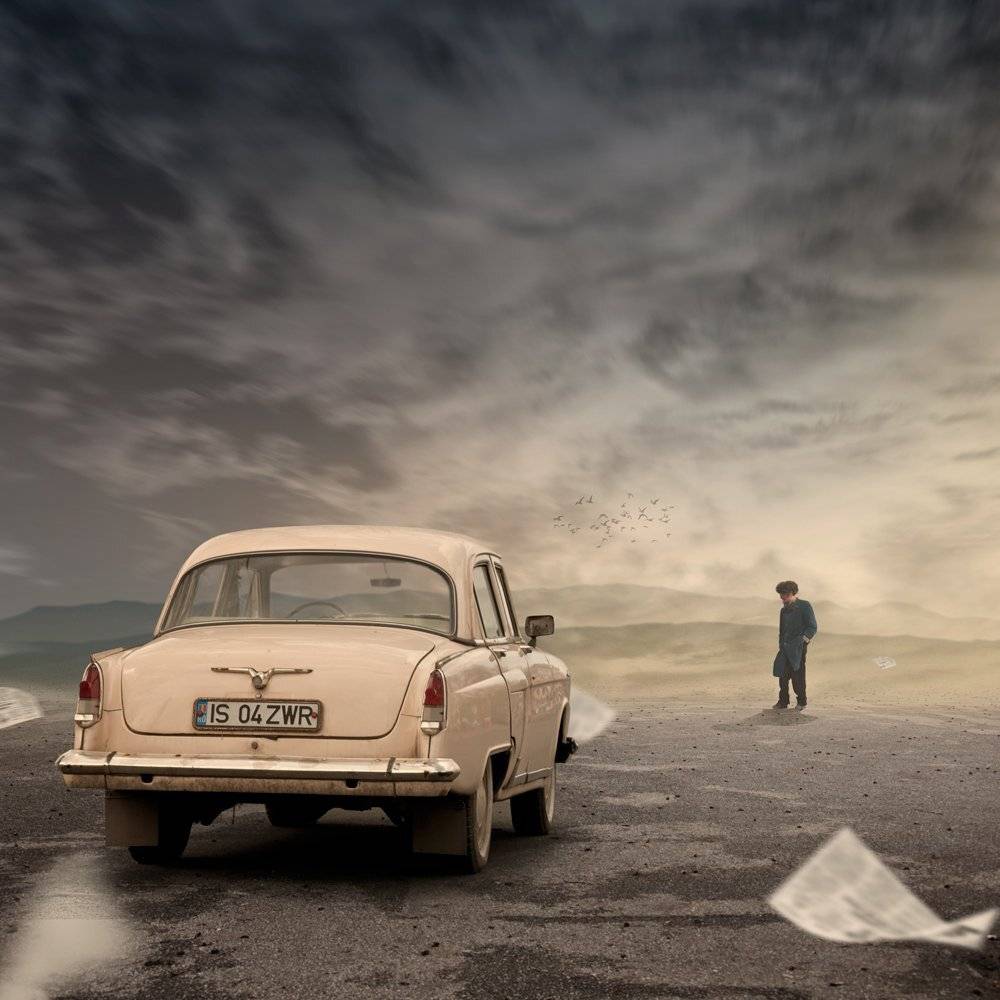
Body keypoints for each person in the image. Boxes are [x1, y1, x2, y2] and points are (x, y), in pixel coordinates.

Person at [772, 580, 818, 710]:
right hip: (784, 648)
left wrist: (802, 641)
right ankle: (783, 702)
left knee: (798, 675)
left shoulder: (804, 606)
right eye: (781, 594)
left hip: (798, 648)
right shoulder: (783, 610)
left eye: (784, 594)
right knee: (782, 674)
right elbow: (782, 631)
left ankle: (802, 702)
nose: (782, 597)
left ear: (792, 593)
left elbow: (812, 626)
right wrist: (781, 644)